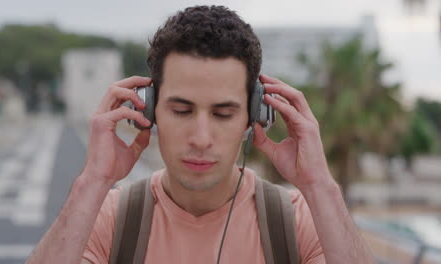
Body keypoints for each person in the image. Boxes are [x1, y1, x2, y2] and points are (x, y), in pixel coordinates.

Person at [26, 5, 374, 264]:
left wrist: (319, 185)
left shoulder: (295, 224)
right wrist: (93, 181)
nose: (201, 137)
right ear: (148, 111)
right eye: (181, 111)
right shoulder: (110, 221)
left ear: (254, 117)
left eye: (223, 114)